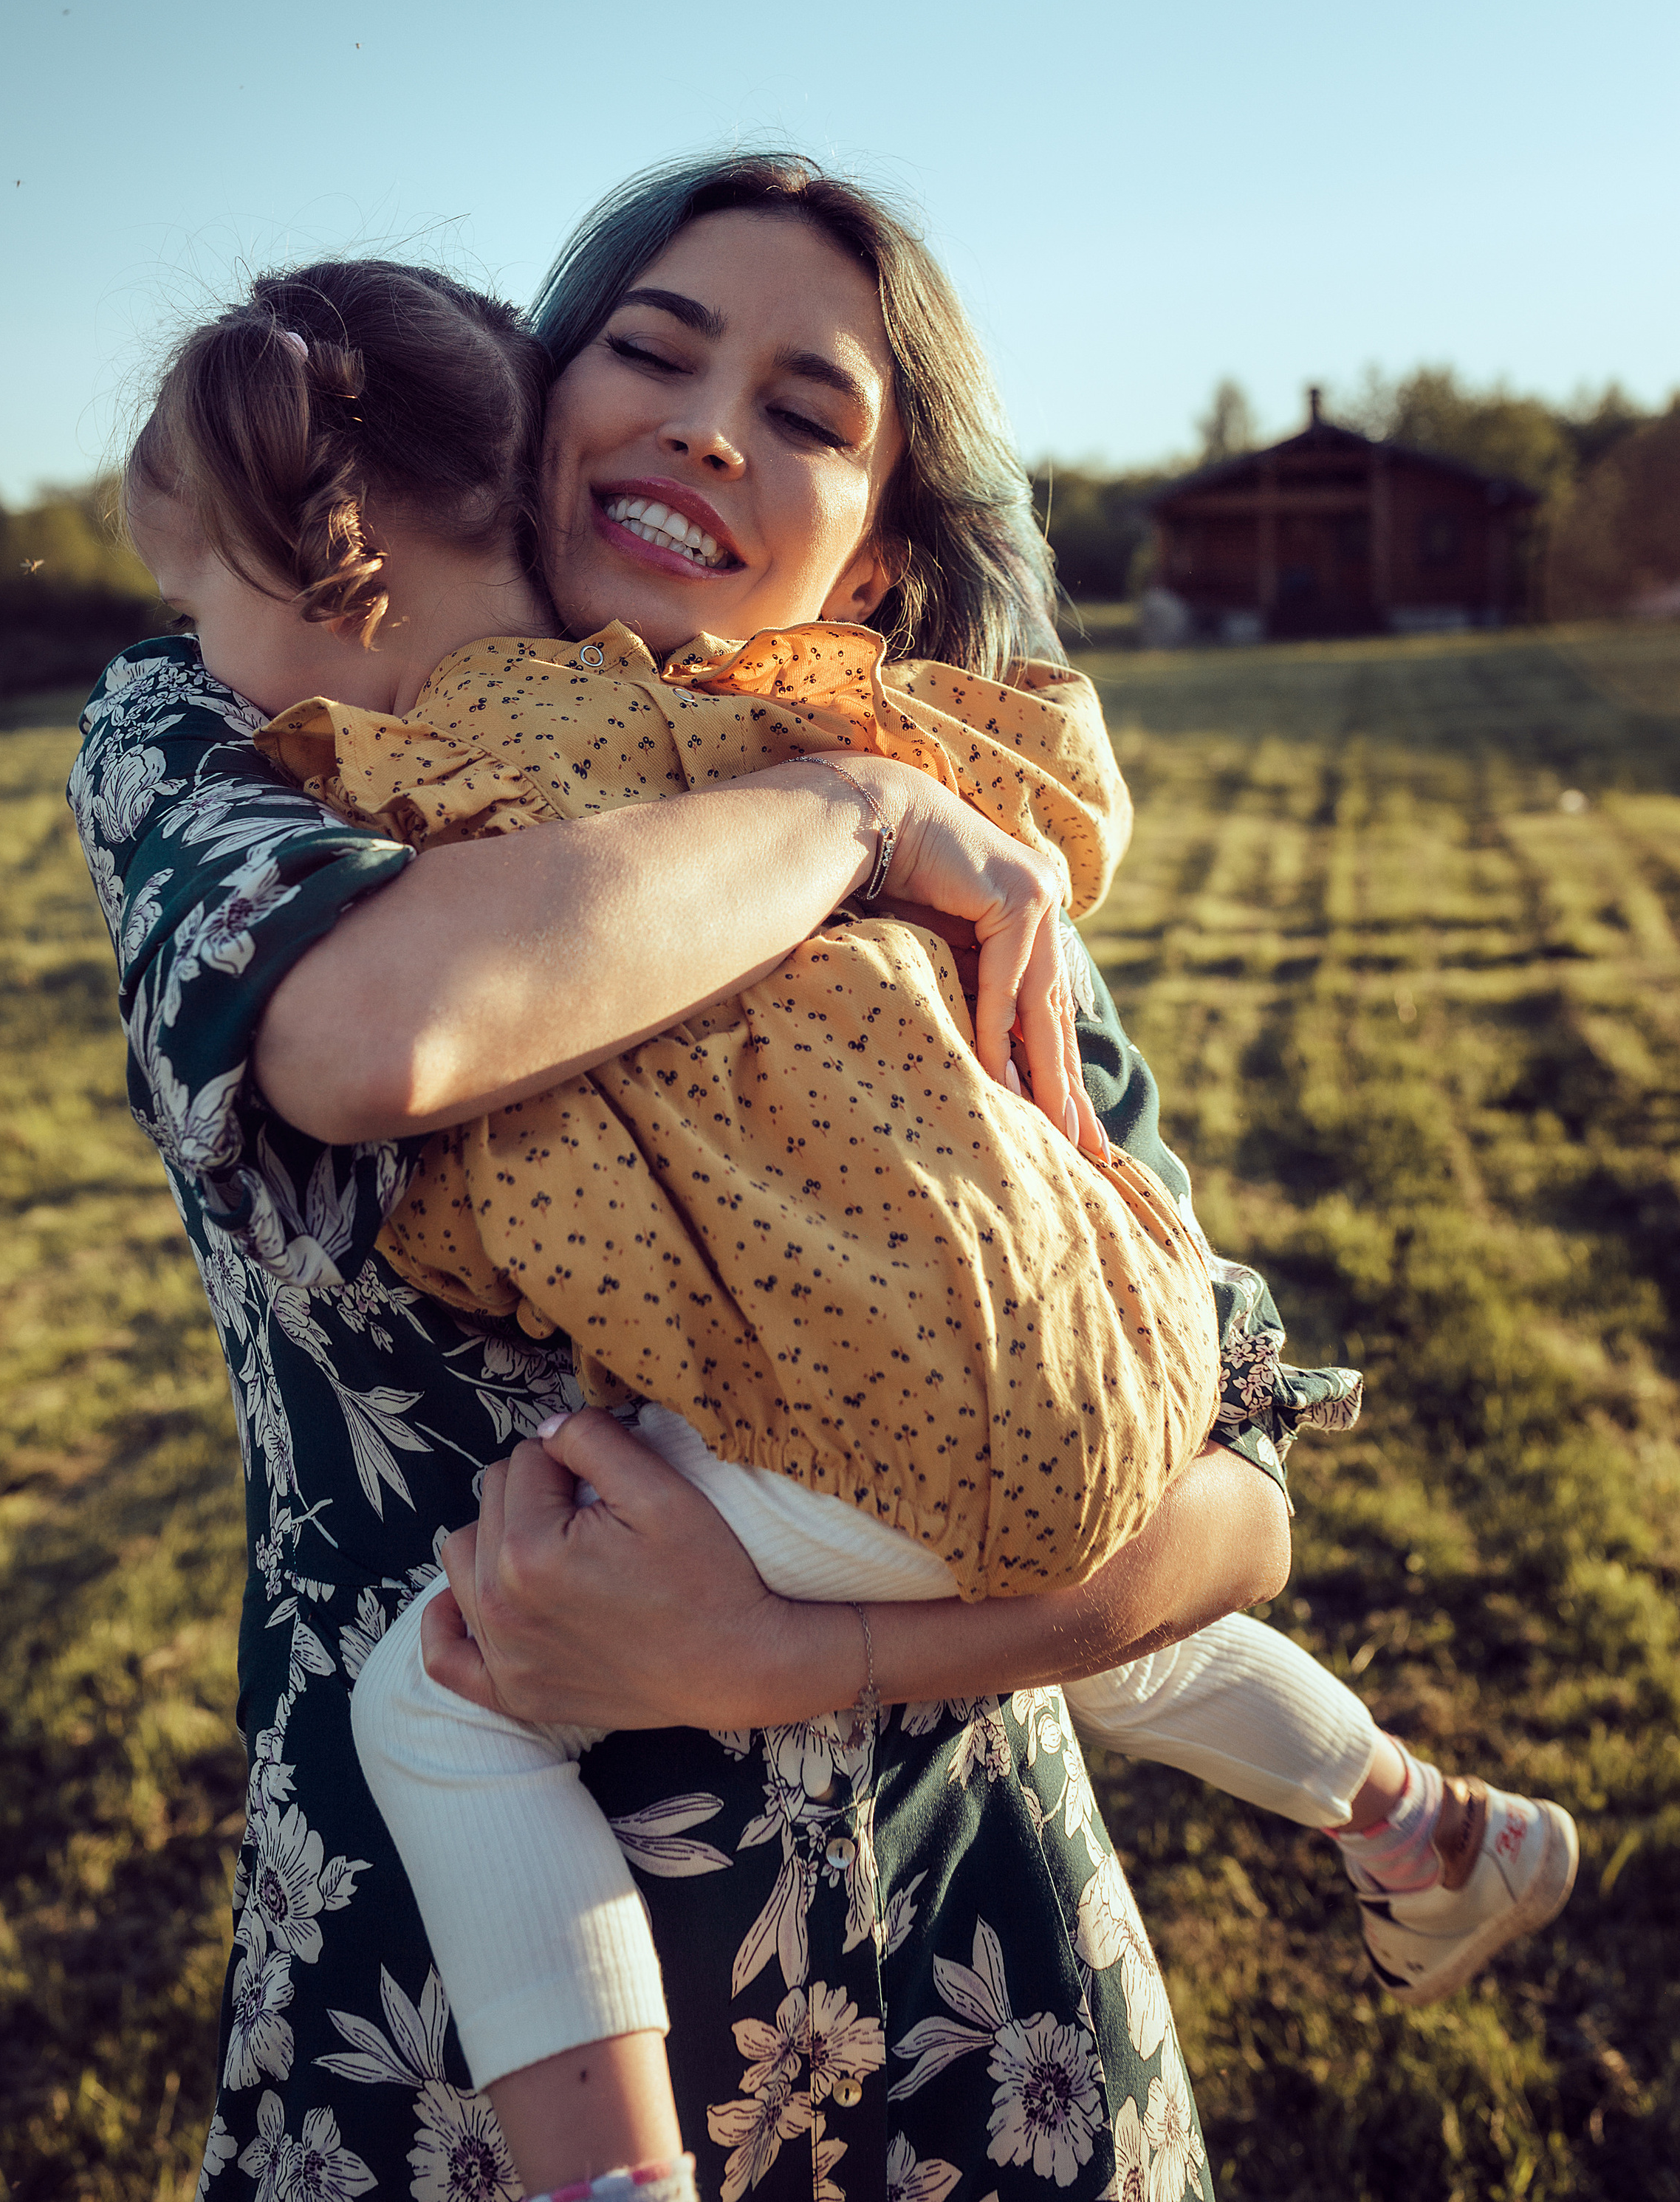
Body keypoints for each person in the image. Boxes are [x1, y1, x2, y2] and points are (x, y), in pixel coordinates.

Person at [83, 254, 1277, 2202]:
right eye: (649, 350)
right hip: (451, 2035)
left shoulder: (978, 857)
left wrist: (781, 1653)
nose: (714, 424)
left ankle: (1392, 1801)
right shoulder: (228, 717)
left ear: (877, 562)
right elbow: (379, 1033)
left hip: (973, 1988)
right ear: (530, 416)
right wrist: (847, 820)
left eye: (809, 415)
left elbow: (1234, 1490)